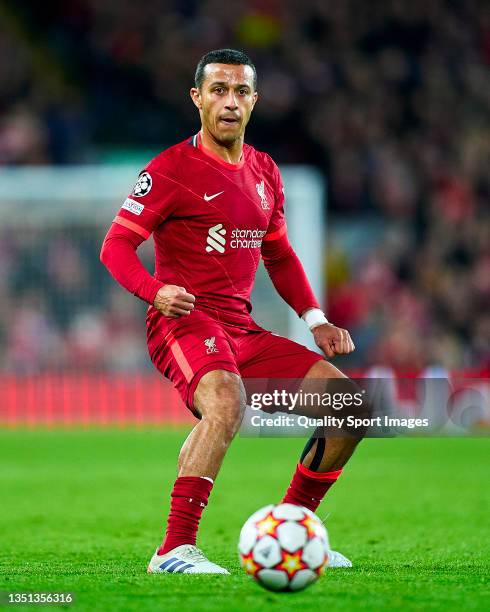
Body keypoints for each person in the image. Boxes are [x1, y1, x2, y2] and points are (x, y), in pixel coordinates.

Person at [100, 48, 361, 574]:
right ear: (196, 98)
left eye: (241, 91)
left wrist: (316, 320)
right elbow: (114, 247)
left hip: (241, 330)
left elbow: (280, 254)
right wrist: (154, 291)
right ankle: (173, 550)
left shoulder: (264, 170)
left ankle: (292, 531)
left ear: (254, 101)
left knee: (348, 409)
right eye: (218, 89)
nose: (229, 102)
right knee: (226, 399)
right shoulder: (170, 169)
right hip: (183, 320)